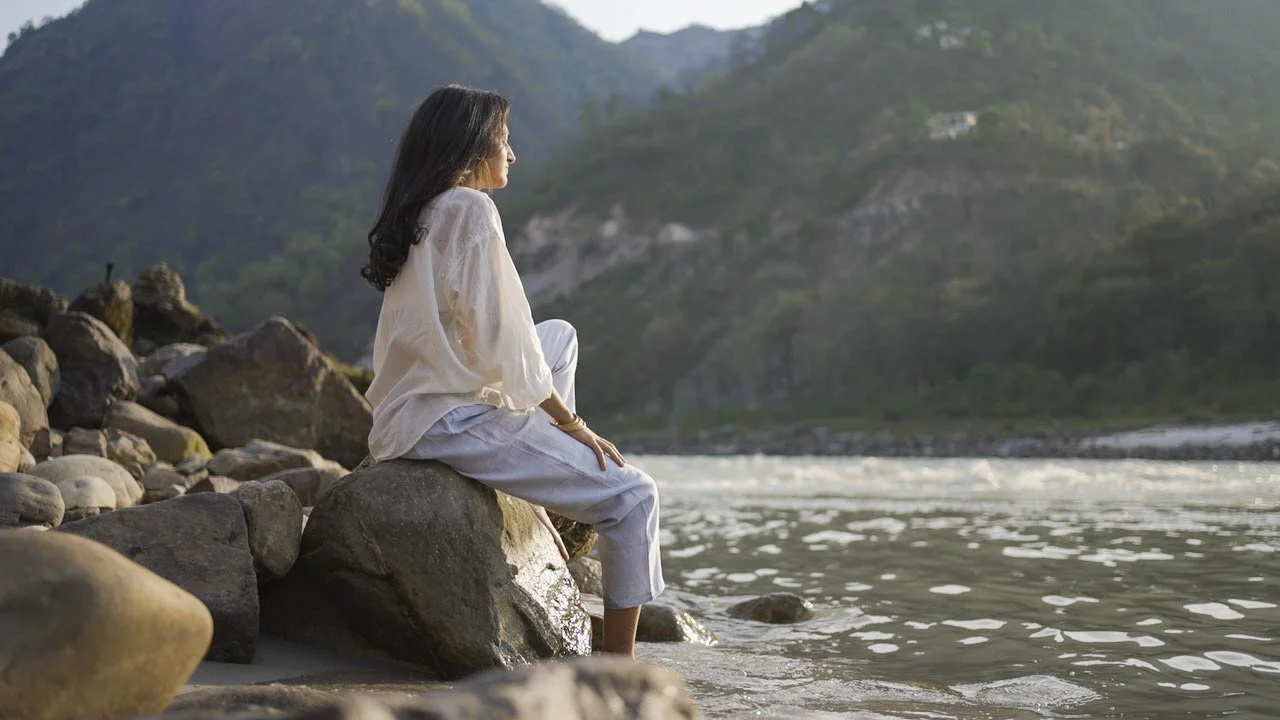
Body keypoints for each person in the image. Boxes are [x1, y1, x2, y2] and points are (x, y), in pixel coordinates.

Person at [359, 84, 664, 657]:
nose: (513, 153)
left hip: (417, 404)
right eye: (504, 140)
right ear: (472, 150)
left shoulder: (422, 211)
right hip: (447, 416)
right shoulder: (470, 208)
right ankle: (618, 672)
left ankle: (542, 498)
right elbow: (504, 340)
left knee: (560, 336)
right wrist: (572, 425)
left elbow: (507, 340)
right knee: (635, 498)